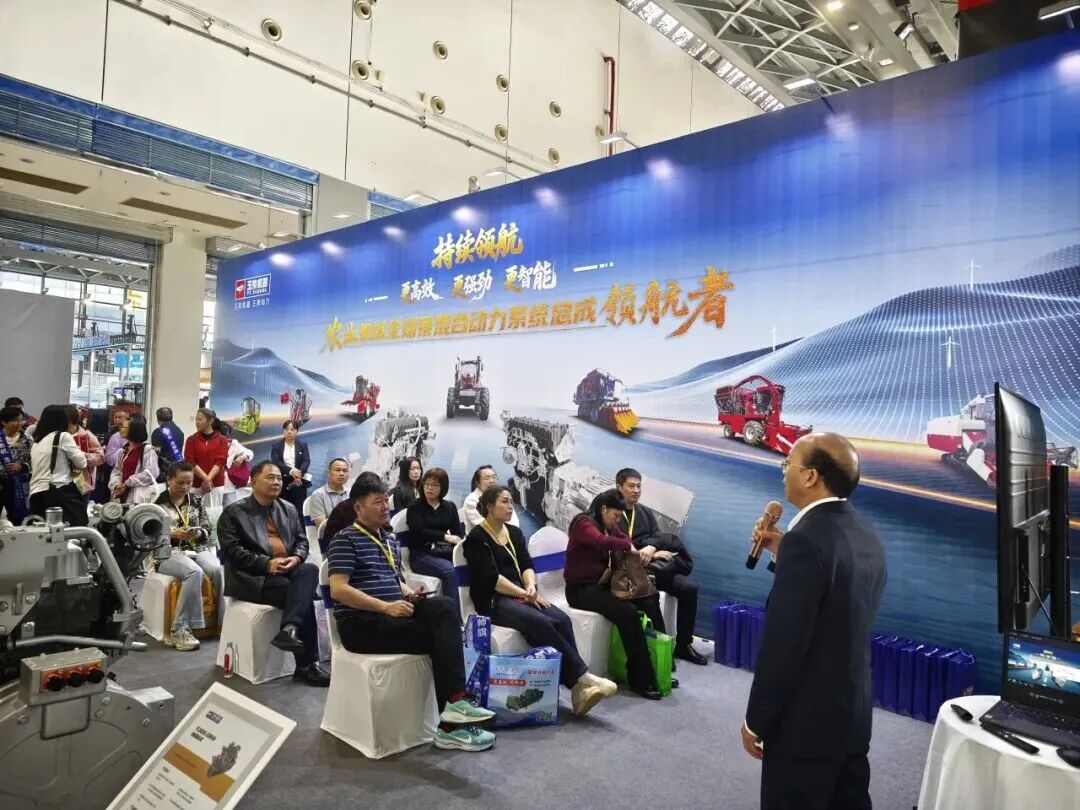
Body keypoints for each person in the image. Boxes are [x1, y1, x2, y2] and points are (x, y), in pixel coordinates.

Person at [740, 433, 887, 810]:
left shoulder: (805, 541)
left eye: (787, 464)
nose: (783, 472)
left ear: (810, 476)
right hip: (851, 712)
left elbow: (785, 646)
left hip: (806, 725)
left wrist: (757, 720)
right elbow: (834, 604)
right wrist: (782, 554)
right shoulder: (864, 532)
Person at [327, 472, 497, 752]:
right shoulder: (345, 539)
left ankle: (456, 706)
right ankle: (451, 722)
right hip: (360, 624)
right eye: (377, 502)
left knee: (444, 606)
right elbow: (338, 589)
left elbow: (395, 580)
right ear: (358, 507)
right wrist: (385, 606)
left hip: (393, 613)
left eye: (386, 501)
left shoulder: (388, 539)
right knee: (440, 637)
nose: (385, 507)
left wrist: (408, 594)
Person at [464, 484, 617, 716]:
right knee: (539, 622)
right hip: (494, 600)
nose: (510, 506)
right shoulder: (477, 538)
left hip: (521, 593)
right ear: (489, 507)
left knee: (561, 619)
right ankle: (582, 678)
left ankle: (577, 690)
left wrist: (531, 586)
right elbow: (492, 579)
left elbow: (526, 564)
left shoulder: (514, 533)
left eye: (511, 501)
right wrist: (523, 594)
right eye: (504, 502)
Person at [217, 461, 330, 686]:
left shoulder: (288, 508)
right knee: (300, 595)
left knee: (309, 569)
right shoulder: (233, 513)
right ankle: (306, 665)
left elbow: (301, 541)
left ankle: (289, 629)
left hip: (286, 571)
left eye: (279, 478)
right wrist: (266, 564)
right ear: (253, 481)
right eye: (270, 477)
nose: (277, 482)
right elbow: (232, 552)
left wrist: (296, 558)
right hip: (252, 578)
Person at [564, 489, 666, 700]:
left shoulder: (609, 525)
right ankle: (641, 679)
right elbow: (601, 541)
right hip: (580, 590)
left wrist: (631, 544)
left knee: (650, 600)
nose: (617, 520)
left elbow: (623, 537)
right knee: (627, 612)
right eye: (615, 515)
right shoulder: (582, 523)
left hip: (602, 585)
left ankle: (661, 666)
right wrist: (627, 545)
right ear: (604, 509)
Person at [616, 467, 708, 666]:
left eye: (638, 486)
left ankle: (684, 644)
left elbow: (658, 537)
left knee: (689, 589)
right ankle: (660, 651)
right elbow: (618, 545)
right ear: (619, 487)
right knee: (650, 598)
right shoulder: (613, 513)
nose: (636, 490)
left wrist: (652, 548)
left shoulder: (644, 512)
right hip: (629, 572)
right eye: (631, 486)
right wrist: (647, 551)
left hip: (653, 568)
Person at [154, 462, 224, 651]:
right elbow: (148, 536)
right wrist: (171, 534)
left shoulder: (196, 501)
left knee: (218, 570)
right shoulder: (157, 505)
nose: (185, 487)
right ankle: (180, 629)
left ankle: (222, 623)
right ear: (169, 480)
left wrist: (199, 533)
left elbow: (207, 528)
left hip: (197, 548)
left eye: (189, 482)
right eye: (180, 482)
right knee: (194, 572)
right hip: (167, 553)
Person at [405, 467, 465, 617]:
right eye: (427, 484)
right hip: (421, 554)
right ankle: (454, 618)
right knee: (449, 571)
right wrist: (444, 536)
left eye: (435, 485)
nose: (429, 488)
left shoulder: (449, 507)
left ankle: (475, 612)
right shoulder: (415, 506)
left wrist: (457, 541)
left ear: (443, 487)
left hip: (443, 552)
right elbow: (419, 531)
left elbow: (458, 534)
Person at [28, 404, 87, 526]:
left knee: (44, 532)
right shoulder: (62, 436)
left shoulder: (37, 441)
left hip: (36, 494)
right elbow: (82, 462)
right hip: (58, 491)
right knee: (73, 530)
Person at [183, 408, 230, 506]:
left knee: (213, 513)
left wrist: (208, 479)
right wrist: (207, 479)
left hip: (215, 485)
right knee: (193, 512)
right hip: (195, 484)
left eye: (200, 419)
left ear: (210, 421)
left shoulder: (222, 440)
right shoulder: (191, 440)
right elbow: (190, 461)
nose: (197, 422)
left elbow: (220, 461)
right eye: (196, 419)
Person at [109, 419, 159, 504]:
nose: (120, 429)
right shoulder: (123, 451)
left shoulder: (147, 450)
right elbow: (117, 471)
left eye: (123, 427)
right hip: (122, 495)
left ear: (133, 430)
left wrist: (127, 483)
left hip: (139, 497)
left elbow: (151, 473)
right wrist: (116, 485)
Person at [461, 465, 519, 533]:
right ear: (477, 483)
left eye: (494, 477)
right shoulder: (471, 500)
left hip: (507, 535)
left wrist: (512, 533)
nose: (492, 481)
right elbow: (483, 526)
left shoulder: (503, 496)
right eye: (487, 478)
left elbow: (514, 522)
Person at [270, 420, 310, 518]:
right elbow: (276, 462)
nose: (289, 432)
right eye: (286, 429)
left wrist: (299, 474)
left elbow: (306, 460)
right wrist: (291, 471)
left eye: (292, 429)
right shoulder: (276, 445)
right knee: (282, 508)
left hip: (299, 480)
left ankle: (300, 527)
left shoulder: (303, 444)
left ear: (296, 431)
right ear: (283, 431)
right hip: (283, 481)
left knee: (300, 508)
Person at [0, 405, 32, 523]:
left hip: (21, 485)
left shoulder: (27, 439)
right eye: (15, 420)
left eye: (21, 420)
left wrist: (22, 467)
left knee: (20, 519)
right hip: (1, 485)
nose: (19, 423)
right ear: (4, 422)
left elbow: (35, 460)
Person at [308, 457, 350, 535]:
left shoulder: (352, 494)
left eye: (345, 471)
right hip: (331, 538)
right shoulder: (318, 495)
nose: (341, 473)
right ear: (328, 473)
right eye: (338, 470)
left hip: (352, 536)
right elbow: (322, 527)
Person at [72, 414, 105, 502]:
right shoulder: (60, 436)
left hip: (82, 482)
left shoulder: (87, 435)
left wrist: (82, 456)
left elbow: (101, 458)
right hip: (62, 483)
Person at [221, 423, 254, 506]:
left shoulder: (233, 443)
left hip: (228, 485)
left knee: (230, 508)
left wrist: (242, 457)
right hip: (212, 485)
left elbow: (250, 453)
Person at [151, 406, 185, 477]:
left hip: (165, 471)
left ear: (158, 419)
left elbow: (156, 455)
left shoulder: (157, 432)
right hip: (179, 467)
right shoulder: (179, 431)